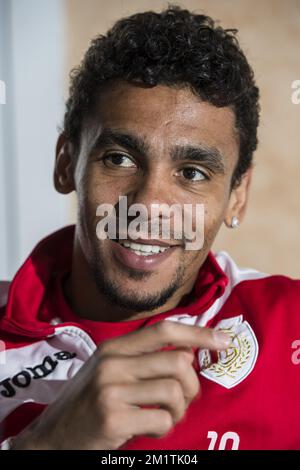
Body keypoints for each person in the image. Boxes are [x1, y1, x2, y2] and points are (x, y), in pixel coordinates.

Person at [0, 5, 299, 450]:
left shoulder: (289, 324)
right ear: (67, 164)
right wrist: (46, 445)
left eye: (193, 172)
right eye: (119, 159)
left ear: (237, 194)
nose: (149, 205)